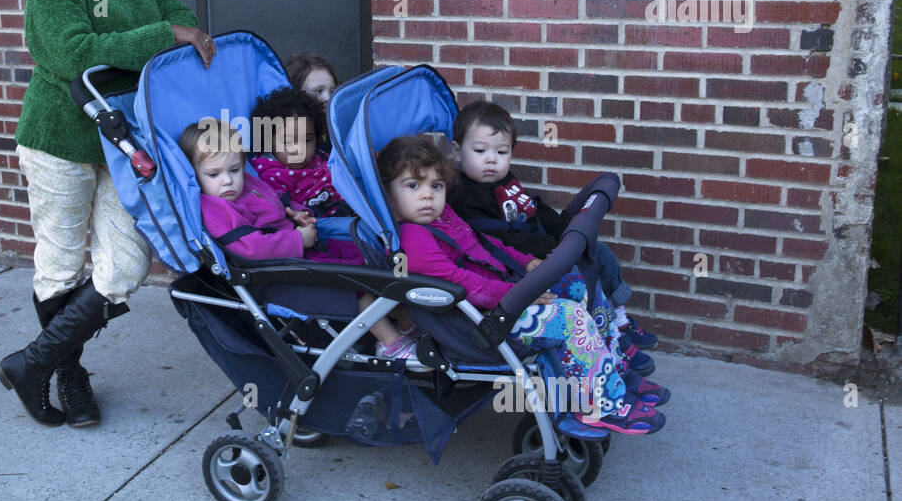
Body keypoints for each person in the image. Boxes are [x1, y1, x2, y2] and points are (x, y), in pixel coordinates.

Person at [0, 0, 216, 429]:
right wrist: (154, 40)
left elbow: (187, 24)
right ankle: (68, 374)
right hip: (59, 139)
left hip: (125, 139)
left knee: (127, 263)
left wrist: (162, 37)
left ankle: (33, 360)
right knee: (62, 264)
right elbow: (70, 54)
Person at [378, 135, 665, 434]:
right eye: (413, 185)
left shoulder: (443, 217)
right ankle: (600, 405)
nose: (428, 196)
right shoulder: (413, 240)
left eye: (435, 186)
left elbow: (485, 244)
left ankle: (614, 370)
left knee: (577, 285)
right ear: (389, 197)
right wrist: (518, 294)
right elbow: (461, 283)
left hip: (500, 302)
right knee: (569, 318)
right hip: (475, 326)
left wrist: (526, 262)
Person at [446, 101, 659, 374]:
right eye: (480, 151)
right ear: (456, 151)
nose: (491, 159)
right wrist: (555, 249)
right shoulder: (466, 197)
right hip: (520, 264)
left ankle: (618, 320)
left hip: (545, 248)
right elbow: (498, 241)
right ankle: (606, 341)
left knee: (598, 251)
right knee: (578, 272)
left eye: (502, 152)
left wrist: (563, 230)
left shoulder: (505, 180)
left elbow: (533, 210)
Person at [180, 117, 420, 359]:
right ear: (194, 175)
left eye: (234, 169)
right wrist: (298, 240)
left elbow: (274, 199)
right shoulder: (215, 208)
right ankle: (391, 344)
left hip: (301, 253)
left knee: (370, 260)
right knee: (357, 282)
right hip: (275, 276)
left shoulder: (246, 184)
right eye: (214, 174)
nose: (227, 180)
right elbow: (251, 248)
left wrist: (296, 213)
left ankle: (408, 323)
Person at [248, 88, 352, 220]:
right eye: (288, 142)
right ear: (269, 141)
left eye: (307, 140)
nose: (299, 149)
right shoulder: (270, 176)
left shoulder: (322, 159)